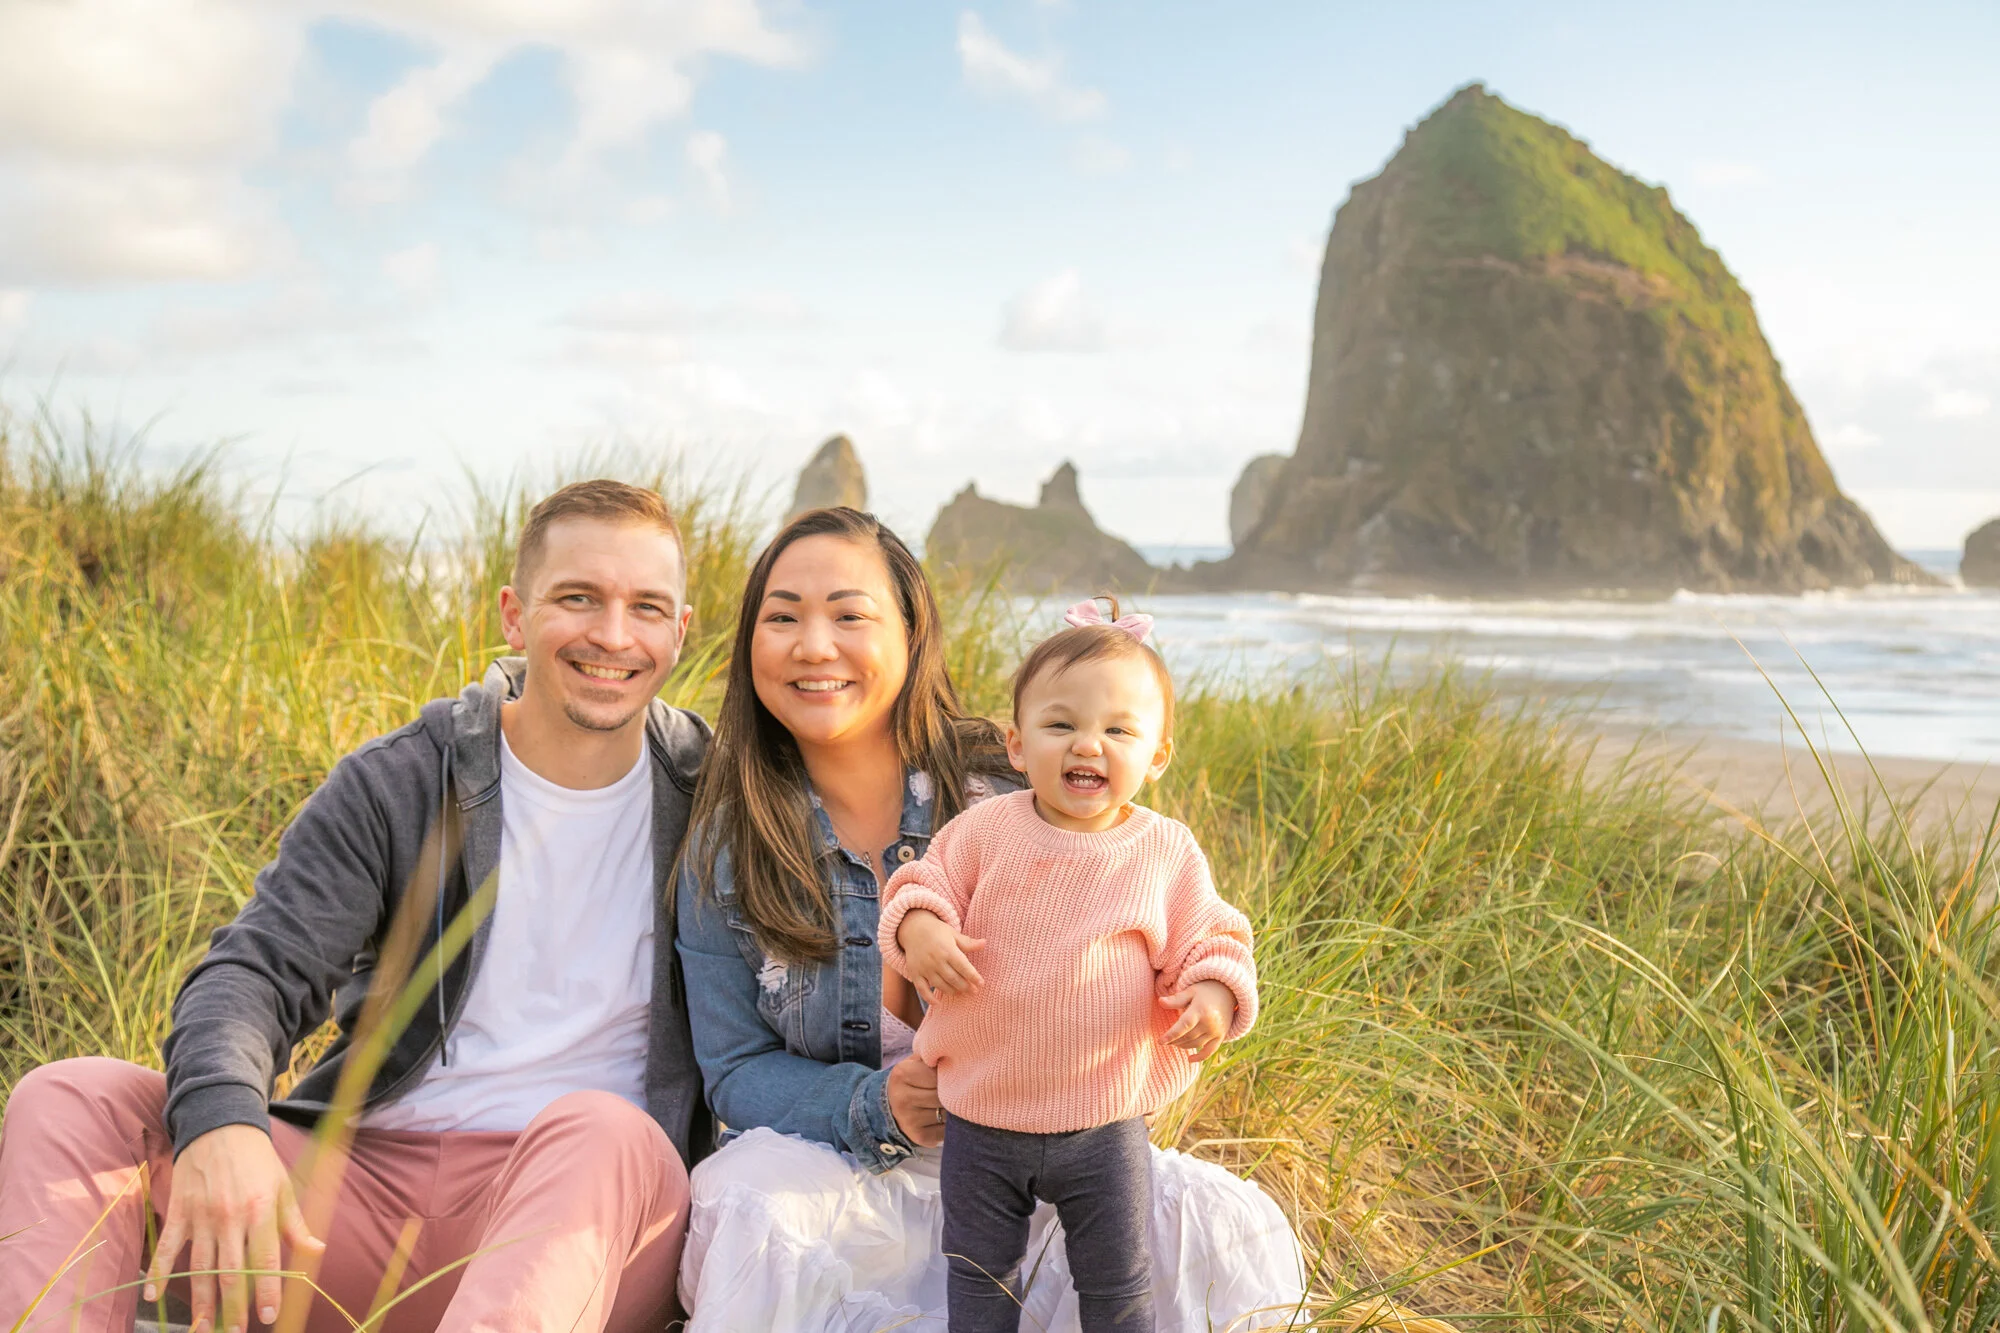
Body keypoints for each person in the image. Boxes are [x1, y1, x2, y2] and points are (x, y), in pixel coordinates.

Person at [0, 480, 711, 1333]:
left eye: (645, 607)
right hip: (357, 1200)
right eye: (579, 598)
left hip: (588, 1222)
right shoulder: (404, 780)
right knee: (74, 1100)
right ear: (515, 616)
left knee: (606, 1131)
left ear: (680, 631)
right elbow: (250, 973)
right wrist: (223, 1121)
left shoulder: (717, 798)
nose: (612, 633)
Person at [674, 507, 1304, 1332]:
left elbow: (1165, 922)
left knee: (1224, 1228)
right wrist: (877, 1105)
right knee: (755, 1211)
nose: (814, 644)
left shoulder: (1011, 783)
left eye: (849, 614)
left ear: (911, 631)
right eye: (783, 615)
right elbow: (734, 1071)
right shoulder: (731, 839)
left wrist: (1203, 998)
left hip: (1051, 1153)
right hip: (844, 1171)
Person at [880, 597, 1260, 1333]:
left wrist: (1213, 991)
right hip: (983, 1115)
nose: (1088, 745)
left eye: (1118, 730)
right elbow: (921, 884)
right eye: (1062, 725)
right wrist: (922, 928)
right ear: (1018, 746)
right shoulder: (984, 831)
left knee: (1118, 1285)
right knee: (980, 1275)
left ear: (1155, 757)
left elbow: (1213, 934)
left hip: (1105, 1119)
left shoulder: (1164, 850)